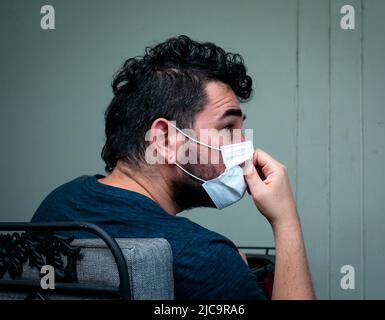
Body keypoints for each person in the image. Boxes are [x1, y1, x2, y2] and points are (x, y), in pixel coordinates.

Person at [31, 35, 315, 300]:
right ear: (166, 139)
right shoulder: (203, 258)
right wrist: (285, 220)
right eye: (228, 127)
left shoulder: (58, 203)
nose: (245, 147)